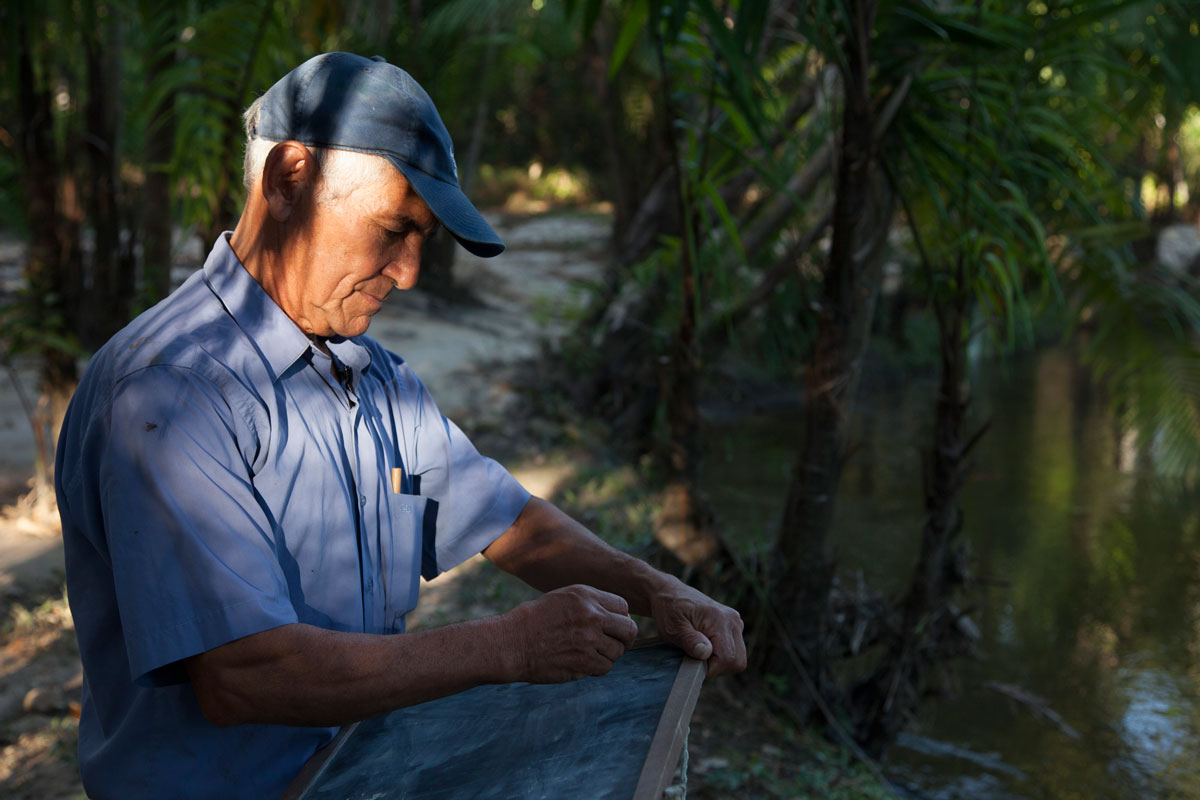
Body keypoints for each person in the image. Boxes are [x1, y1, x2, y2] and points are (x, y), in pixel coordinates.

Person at [55, 52, 745, 799]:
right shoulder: (168, 394)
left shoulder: (374, 378)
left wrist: (654, 589)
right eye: (393, 228)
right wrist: (509, 645)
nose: (410, 272)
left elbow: (510, 520)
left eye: (423, 238)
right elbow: (245, 676)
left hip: (362, 773)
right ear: (289, 179)